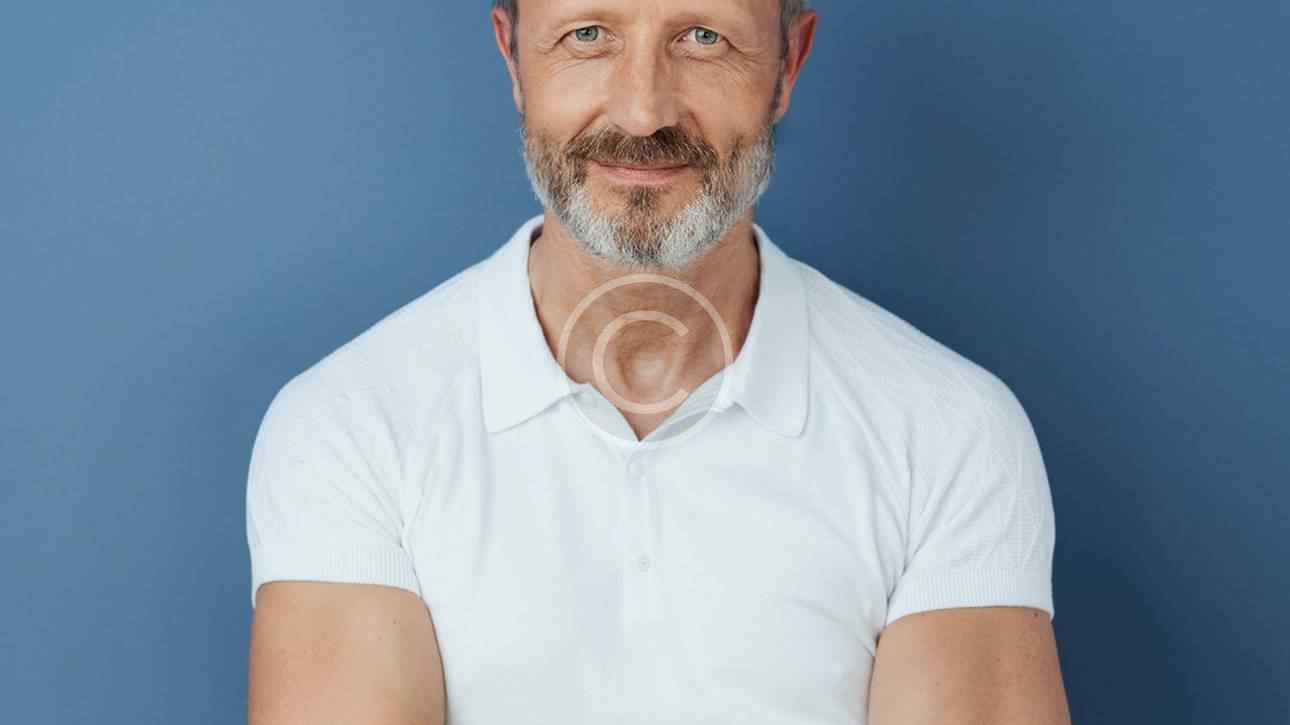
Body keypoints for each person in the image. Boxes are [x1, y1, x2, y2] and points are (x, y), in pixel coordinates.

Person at [245, 1, 1072, 723]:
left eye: (704, 37)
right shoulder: (350, 427)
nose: (643, 111)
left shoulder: (949, 432)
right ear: (513, 54)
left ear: (788, 64)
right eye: (588, 34)